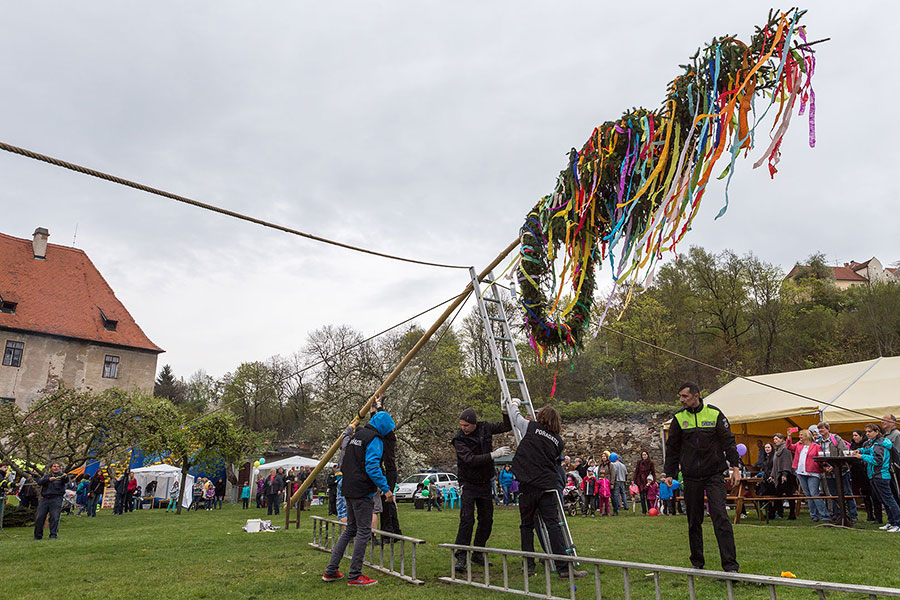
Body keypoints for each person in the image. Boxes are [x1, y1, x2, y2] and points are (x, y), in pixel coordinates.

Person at [664, 382, 740, 572]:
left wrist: (736, 467)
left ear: (696, 396)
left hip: (714, 474)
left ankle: (730, 565)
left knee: (720, 517)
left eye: (684, 396)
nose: (681, 400)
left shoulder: (714, 413)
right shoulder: (679, 418)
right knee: (693, 520)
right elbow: (672, 448)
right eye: (680, 396)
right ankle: (697, 563)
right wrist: (669, 473)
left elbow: (729, 442)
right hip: (690, 477)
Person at [507, 399, 586, 579]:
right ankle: (563, 568)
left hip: (528, 487)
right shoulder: (559, 442)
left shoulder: (531, 427)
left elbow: (516, 417)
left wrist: (513, 403)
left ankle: (528, 566)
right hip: (547, 487)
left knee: (526, 526)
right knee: (553, 525)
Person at [321, 410, 396, 587]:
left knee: (350, 530)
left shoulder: (358, 434)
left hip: (348, 488)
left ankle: (331, 571)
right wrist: (386, 489)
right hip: (362, 490)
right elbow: (372, 466)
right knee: (363, 531)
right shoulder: (375, 439)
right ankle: (355, 575)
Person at [451, 406, 512, 572]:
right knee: (467, 519)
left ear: (474, 423)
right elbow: (469, 459)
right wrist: (494, 455)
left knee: (486, 519)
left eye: (466, 425)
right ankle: (461, 556)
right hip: (468, 482)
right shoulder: (459, 439)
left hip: (485, 482)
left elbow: (506, 426)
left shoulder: (485, 427)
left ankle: (478, 552)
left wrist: (504, 411)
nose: (463, 428)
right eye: (461, 425)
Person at [853, 423, 900, 532]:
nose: (868, 434)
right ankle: (891, 521)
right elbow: (870, 450)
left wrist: (861, 456)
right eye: (866, 432)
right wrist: (861, 450)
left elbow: (877, 460)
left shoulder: (880, 444)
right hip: (875, 475)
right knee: (884, 500)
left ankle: (898, 523)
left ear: (877, 432)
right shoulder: (875, 443)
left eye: (870, 431)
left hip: (881, 475)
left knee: (889, 500)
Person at [816, 421, 858, 523]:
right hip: (828, 472)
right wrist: (825, 467)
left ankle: (852, 515)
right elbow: (819, 456)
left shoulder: (836, 439)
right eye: (819, 429)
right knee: (833, 493)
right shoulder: (819, 442)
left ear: (828, 429)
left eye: (823, 428)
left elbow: (843, 452)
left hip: (841, 470)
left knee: (847, 492)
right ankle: (838, 514)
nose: (821, 430)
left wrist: (834, 467)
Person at [786, 428, 827, 522]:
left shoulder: (816, 446)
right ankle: (814, 516)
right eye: (799, 435)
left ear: (807, 436)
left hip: (813, 473)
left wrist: (824, 467)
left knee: (814, 494)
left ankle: (825, 515)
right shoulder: (798, 445)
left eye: (801, 435)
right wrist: (789, 436)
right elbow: (789, 447)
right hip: (801, 472)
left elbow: (821, 459)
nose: (800, 437)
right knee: (808, 495)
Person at [850, 429, 881, 524]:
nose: (854, 437)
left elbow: (874, 458)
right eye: (853, 435)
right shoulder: (855, 446)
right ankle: (869, 514)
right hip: (857, 472)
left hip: (867, 471)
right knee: (865, 494)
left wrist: (860, 457)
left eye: (856, 435)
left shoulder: (870, 444)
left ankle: (878, 516)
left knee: (874, 494)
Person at [766, 433, 796, 520]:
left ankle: (791, 513)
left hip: (787, 475)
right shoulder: (777, 450)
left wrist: (784, 474)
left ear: (782, 439)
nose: (775, 441)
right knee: (778, 495)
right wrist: (772, 475)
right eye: (774, 439)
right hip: (779, 475)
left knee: (789, 495)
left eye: (777, 439)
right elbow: (775, 464)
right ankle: (776, 513)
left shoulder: (785, 449)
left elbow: (787, 462)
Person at [34, 463, 66, 540]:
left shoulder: (62, 476)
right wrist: (48, 480)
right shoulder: (47, 476)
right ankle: (38, 536)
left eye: (58, 467)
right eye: (54, 466)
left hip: (56, 498)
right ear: (51, 468)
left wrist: (65, 477)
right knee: (39, 517)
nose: (56, 468)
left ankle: (53, 535)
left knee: (54, 517)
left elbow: (66, 480)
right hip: (45, 498)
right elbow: (39, 482)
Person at [633, 450, 657, 515]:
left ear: (647, 455)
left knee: (649, 497)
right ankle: (644, 511)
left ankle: (650, 510)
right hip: (640, 481)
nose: (644, 456)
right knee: (642, 497)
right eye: (643, 455)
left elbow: (653, 472)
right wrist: (634, 480)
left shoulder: (650, 463)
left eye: (645, 455)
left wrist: (653, 481)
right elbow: (636, 471)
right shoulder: (639, 462)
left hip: (647, 481)